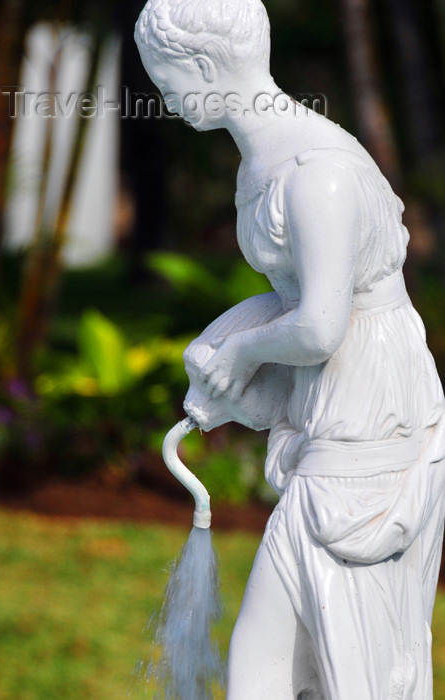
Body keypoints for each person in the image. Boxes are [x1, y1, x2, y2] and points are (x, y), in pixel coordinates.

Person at [135, 0, 445, 697]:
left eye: (164, 80)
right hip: (335, 399)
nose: (161, 98)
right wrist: (222, 344)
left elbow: (318, 327)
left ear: (206, 67)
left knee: (328, 646)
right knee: (269, 655)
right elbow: (295, 300)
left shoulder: (318, 173)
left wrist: (242, 357)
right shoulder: (262, 164)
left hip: (367, 415)